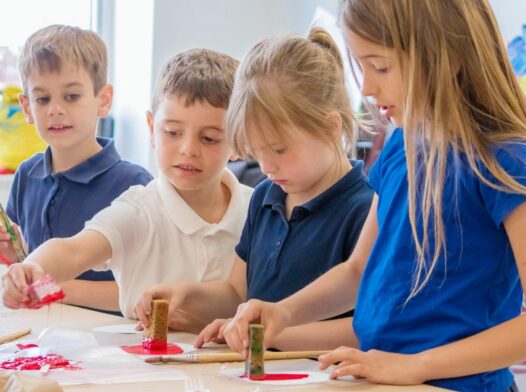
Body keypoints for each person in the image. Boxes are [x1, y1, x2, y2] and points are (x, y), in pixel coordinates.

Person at [221, 1, 526, 392]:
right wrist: (283, 311)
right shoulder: (400, 148)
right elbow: (358, 272)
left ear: (447, 56)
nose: (368, 89)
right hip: (385, 384)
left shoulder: (505, 160)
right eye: (363, 67)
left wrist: (415, 365)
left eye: (381, 67)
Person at [135, 28, 373, 351]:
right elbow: (237, 294)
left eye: (278, 149)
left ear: (330, 127)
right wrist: (186, 297)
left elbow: (366, 328)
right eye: (256, 152)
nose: (265, 166)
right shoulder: (265, 196)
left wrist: (267, 334)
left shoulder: (365, 209)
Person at [2, 48, 253, 318]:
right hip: (138, 358)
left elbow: (241, 298)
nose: (188, 149)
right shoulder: (138, 209)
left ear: (239, 139)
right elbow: (74, 249)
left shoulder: (256, 207)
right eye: (172, 132)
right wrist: (34, 267)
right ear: (151, 128)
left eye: (209, 138)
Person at [0, 25, 152, 312]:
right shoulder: (26, 174)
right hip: (42, 339)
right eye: (42, 99)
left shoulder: (135, 185)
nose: (55, 109)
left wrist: (50, 288)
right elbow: (31, 265)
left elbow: (143, 292)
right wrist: (16, 256)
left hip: (108, 346)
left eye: (71, 97)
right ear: (27, 107)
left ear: (103, 100)